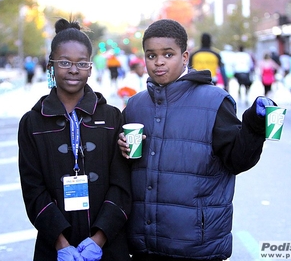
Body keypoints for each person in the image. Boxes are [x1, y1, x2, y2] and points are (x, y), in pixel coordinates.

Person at [118, 19, 276, 261]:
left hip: (197, 246)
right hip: (144, 243)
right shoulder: (135, 105)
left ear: (184, 57)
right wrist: (122, 148)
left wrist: (254, 125)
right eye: (151, 56)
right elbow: (127, 172)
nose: (158, 62)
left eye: (167, 54)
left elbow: (237, 160)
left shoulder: (214, 101)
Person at [17, 18, 132, 261]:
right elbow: (33, 189)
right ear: (51, 66)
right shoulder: (32, 123)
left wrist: (99, 238)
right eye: (64, 62)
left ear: (90, 68)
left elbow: (122, 185)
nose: (73, 69)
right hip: (54, 247)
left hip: (109, 245)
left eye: (81, 63)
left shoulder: (112, 117)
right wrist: (61, 243)